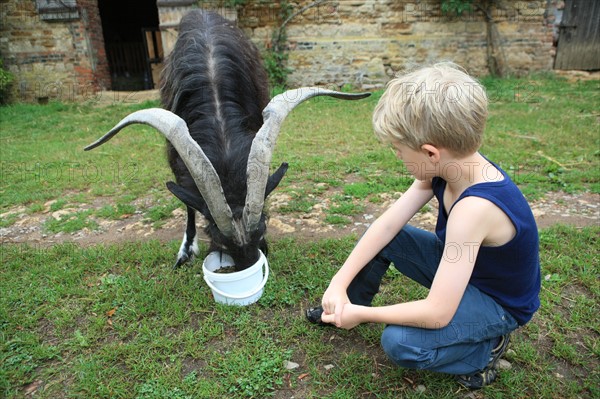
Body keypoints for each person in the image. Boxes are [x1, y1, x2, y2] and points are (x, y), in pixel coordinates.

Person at [305, 62, 541, 389]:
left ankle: (485, 349)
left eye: (398, 150)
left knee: (401, 343)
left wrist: (367, 316)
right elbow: (387, 226)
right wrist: (338, 283)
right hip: (463, 269)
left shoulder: (474, 210)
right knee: (391, 238)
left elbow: (437, 313)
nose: (397, 157)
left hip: (497, 303)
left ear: (430, 152)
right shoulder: (449, 165)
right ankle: (342, 307)